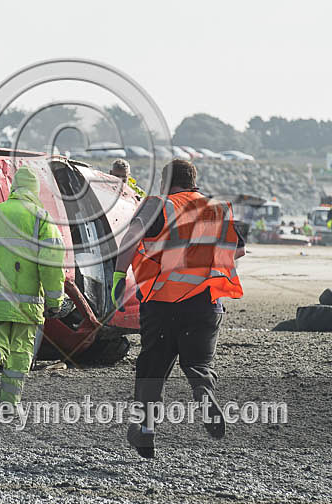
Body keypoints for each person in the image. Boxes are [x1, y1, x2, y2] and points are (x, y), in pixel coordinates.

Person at [112, 159, 245, 458]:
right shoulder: (217, 208)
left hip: (161, 302)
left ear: (166, 182)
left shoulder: (158, 204)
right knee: (199, 364)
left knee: (152, 368)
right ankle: (204, 392)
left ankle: (145, 428)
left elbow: (131, 237)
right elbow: (239, 249)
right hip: (205, 302)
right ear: (193, 182)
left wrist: (119, 276)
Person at [0, 165, 66, 405]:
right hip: (26, 303)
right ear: (35, 191)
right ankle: (9, 404)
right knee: (20, 352)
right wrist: (55, 301)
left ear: (14, 188)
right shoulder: (41, 219)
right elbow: (51, 264)